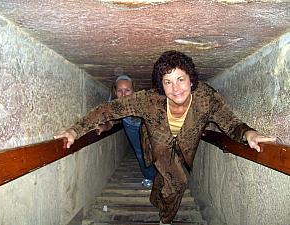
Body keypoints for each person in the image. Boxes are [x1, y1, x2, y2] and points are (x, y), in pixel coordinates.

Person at [55, 50, 276, 225]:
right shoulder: (149, 100)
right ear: (161, 85)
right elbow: (109, 110)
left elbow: (229, 121)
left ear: (191, 80)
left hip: (183, 146)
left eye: (180, 79)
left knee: (165, 179)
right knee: (178, 182)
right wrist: (75, 131)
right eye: (168, 82)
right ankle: (165, 219)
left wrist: (249, 133)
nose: (175, 88)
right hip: (157, 143)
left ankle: (155, 197)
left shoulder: (206, 98)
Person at [97, 75, 156, 188]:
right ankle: (149, 177)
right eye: (120, 91)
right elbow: (111, 122)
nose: (123, 94)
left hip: (148, 124)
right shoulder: (113, 104)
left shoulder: (142, 99)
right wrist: (104, 127)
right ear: (115, 91)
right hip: (131, 126)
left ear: (134, 91)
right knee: (140, 153)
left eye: (127, 90)